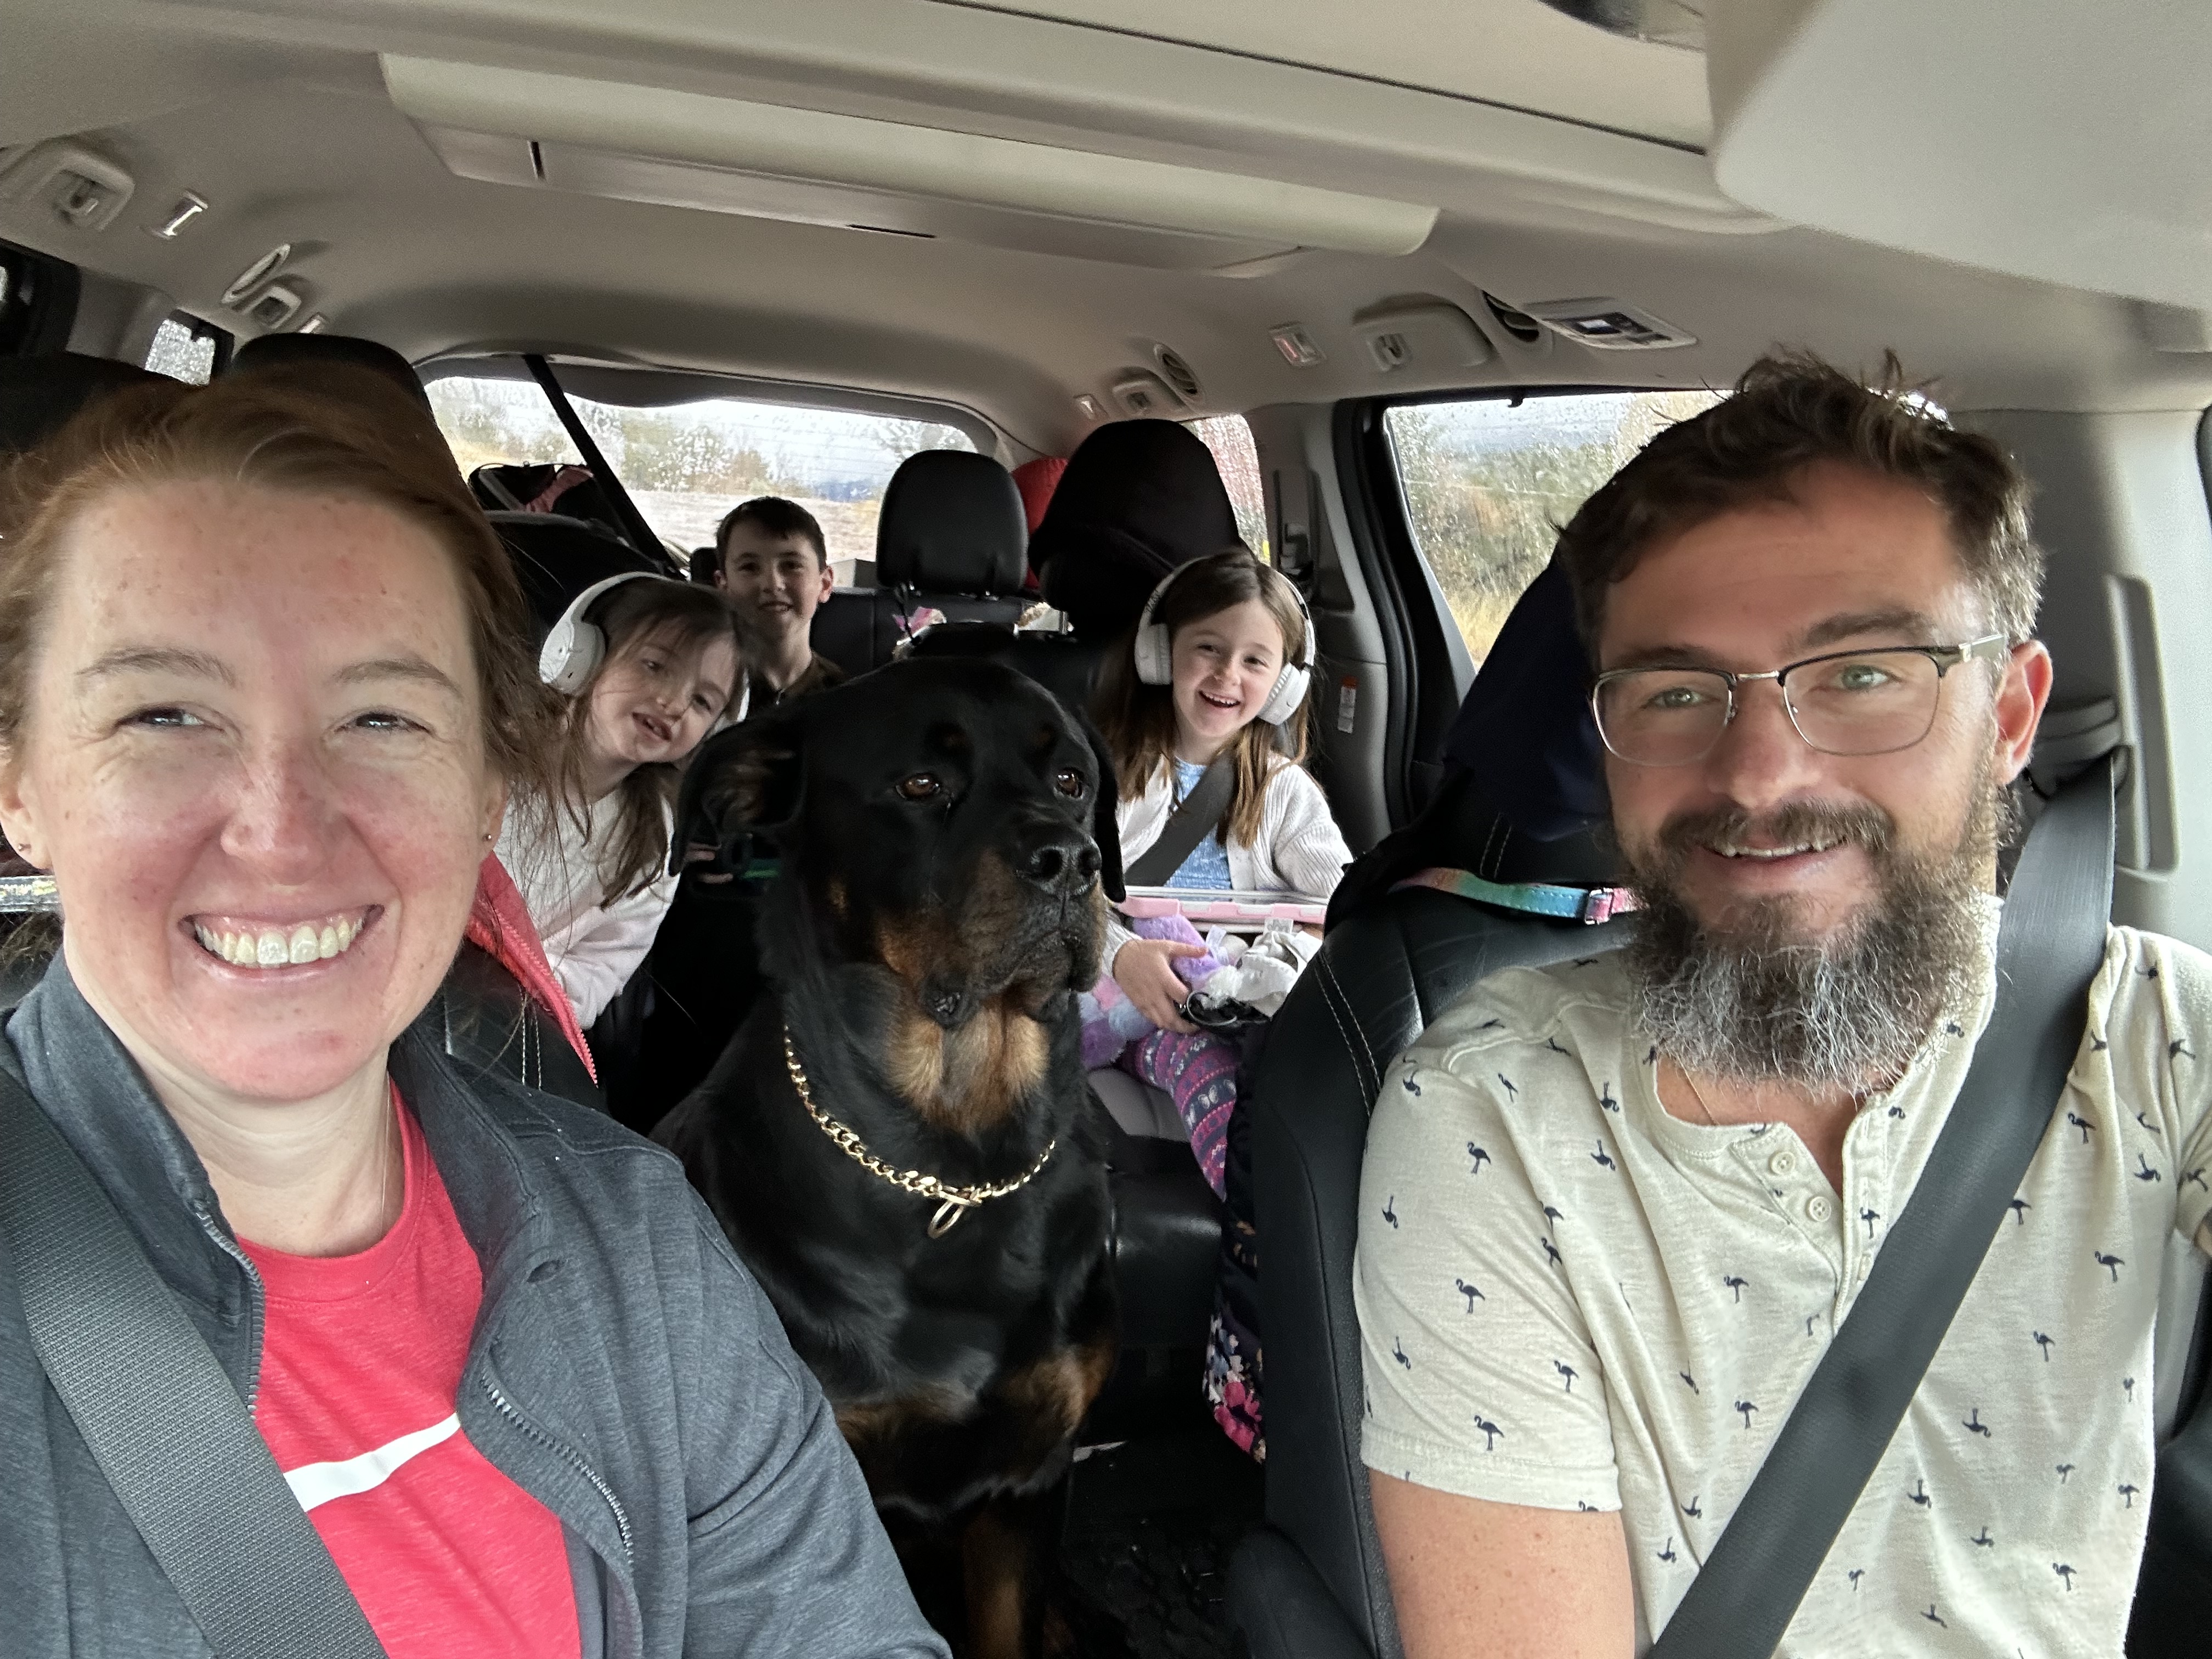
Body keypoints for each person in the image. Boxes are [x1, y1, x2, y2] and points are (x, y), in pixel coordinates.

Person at [0, 369, 945, 1658]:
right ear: (20, 784)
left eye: (381, 717)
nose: (282, 836)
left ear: (482, 792)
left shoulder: (639, 1241)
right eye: (166, 714)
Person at [1355, 352, 2212, 1655]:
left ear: (2010, 716)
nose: (1759, 775)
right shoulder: (1496, 1117)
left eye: (1863, 674)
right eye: (1677, 692)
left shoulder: (2160, 1037)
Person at [1091, 546, 1353, 1458]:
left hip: (1239, 988)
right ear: (1160, 652)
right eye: (1207, 649)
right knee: (1212, 1065)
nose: (1227, 676)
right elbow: (1062, 896)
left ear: (1284, 682)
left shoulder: (1282, 792)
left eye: (1254, 659)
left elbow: (1340, 903)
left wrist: (1286, 951)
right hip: (1138, 997)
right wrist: (1122, 953)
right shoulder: (1105, 772)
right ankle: (1270, 1231)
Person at [495, 573, 742, 1029]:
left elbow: (600, 968)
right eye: (655, 666)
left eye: (703, 702)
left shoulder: (654, 846)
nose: (674, 703)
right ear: (581, 655)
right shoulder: (489, 757)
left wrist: (508, 986)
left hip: (499, 1021)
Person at [712, 495, 845, 707]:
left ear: (825, 584)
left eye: (792, 565)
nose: (772, 584)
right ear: (724, 586)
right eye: (749, 567)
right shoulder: (705, 692)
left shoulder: (847, 700)